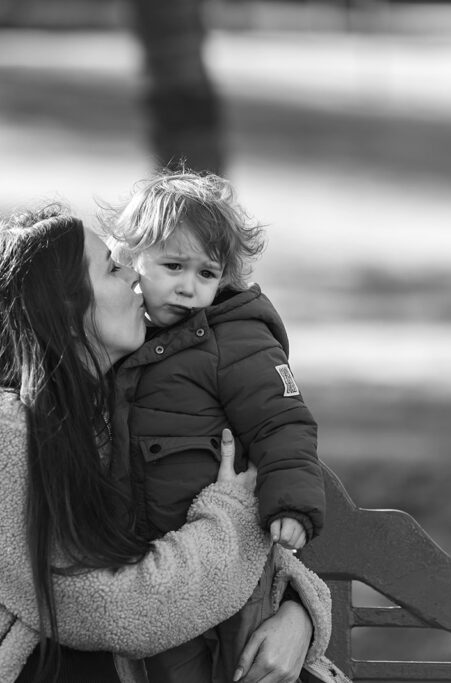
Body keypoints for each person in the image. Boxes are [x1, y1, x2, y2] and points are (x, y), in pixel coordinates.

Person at [0, 204, 344, 683]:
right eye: (111, 269)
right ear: (61, 306)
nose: (133, 277)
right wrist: (233, 514)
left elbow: (162, 530)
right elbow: (111, 610)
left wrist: (299, 613)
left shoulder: (99, 417)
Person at [104, 171, 327, 683]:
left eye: (206, 273)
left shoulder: (237, 340)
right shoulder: (123, 336)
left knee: (239, 664)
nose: (188, 287)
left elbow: (284, 424)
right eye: (173, 266)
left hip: (228, 556)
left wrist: (292, 504)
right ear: (129, 257)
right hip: (152, 566)